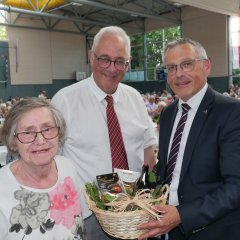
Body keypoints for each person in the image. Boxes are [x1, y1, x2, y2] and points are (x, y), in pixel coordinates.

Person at [51, 26, 157, 239]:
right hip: (90, 217)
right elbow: (52, 161)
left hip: (134, 212)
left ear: (128, 63)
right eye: (104, 59)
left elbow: (148, 154)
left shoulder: (135, 98)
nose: (112, 68)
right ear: (91, 57)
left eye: (120, 61)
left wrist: (149, 198)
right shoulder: (65, 100)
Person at [138, 38, 240, 240]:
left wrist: (182, 215)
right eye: (172, 68)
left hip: (211, 231)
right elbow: (168, 167)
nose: (179, 74)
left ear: (206, 66)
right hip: (167, 228)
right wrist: (139, 189)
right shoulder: (168, 114)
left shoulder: (231, 112)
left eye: (187, 64)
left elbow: (236, 185)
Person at [0, 98, 87, 240]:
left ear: (59, 133)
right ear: (13, 142)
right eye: (28, 133)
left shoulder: (67, 168)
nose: (40, 140)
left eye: (47, 129)